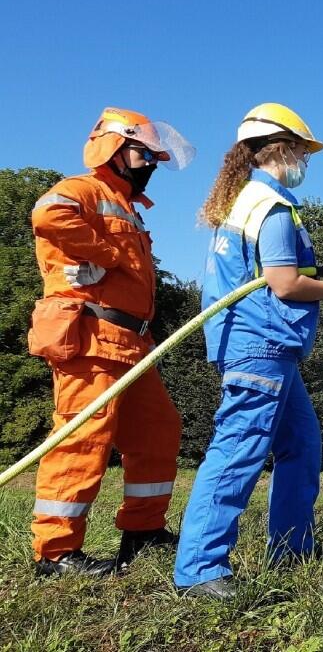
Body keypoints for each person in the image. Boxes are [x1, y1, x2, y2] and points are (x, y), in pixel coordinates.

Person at [174, 103, 323, 598]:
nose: (305, 162)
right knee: (237, 451)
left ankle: (291, 550)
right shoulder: (273, 206)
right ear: (283, 149)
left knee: (302, 446)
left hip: (267, 346)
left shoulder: (246, 201)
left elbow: (271, 277)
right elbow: (284, 285)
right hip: (260, 345)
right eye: (303, 153)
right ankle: (200, 571)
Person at [28, 107, 194, 576]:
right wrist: (107, 252)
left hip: (132, 342)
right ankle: (56, 552)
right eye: (144, 155)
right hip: (91, 335)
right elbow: (47, 213)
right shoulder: (83, 189)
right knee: (83, 438)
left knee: (158, 430)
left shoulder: (127, 206)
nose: (151, 166)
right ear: (116, 149)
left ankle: (143, 530)